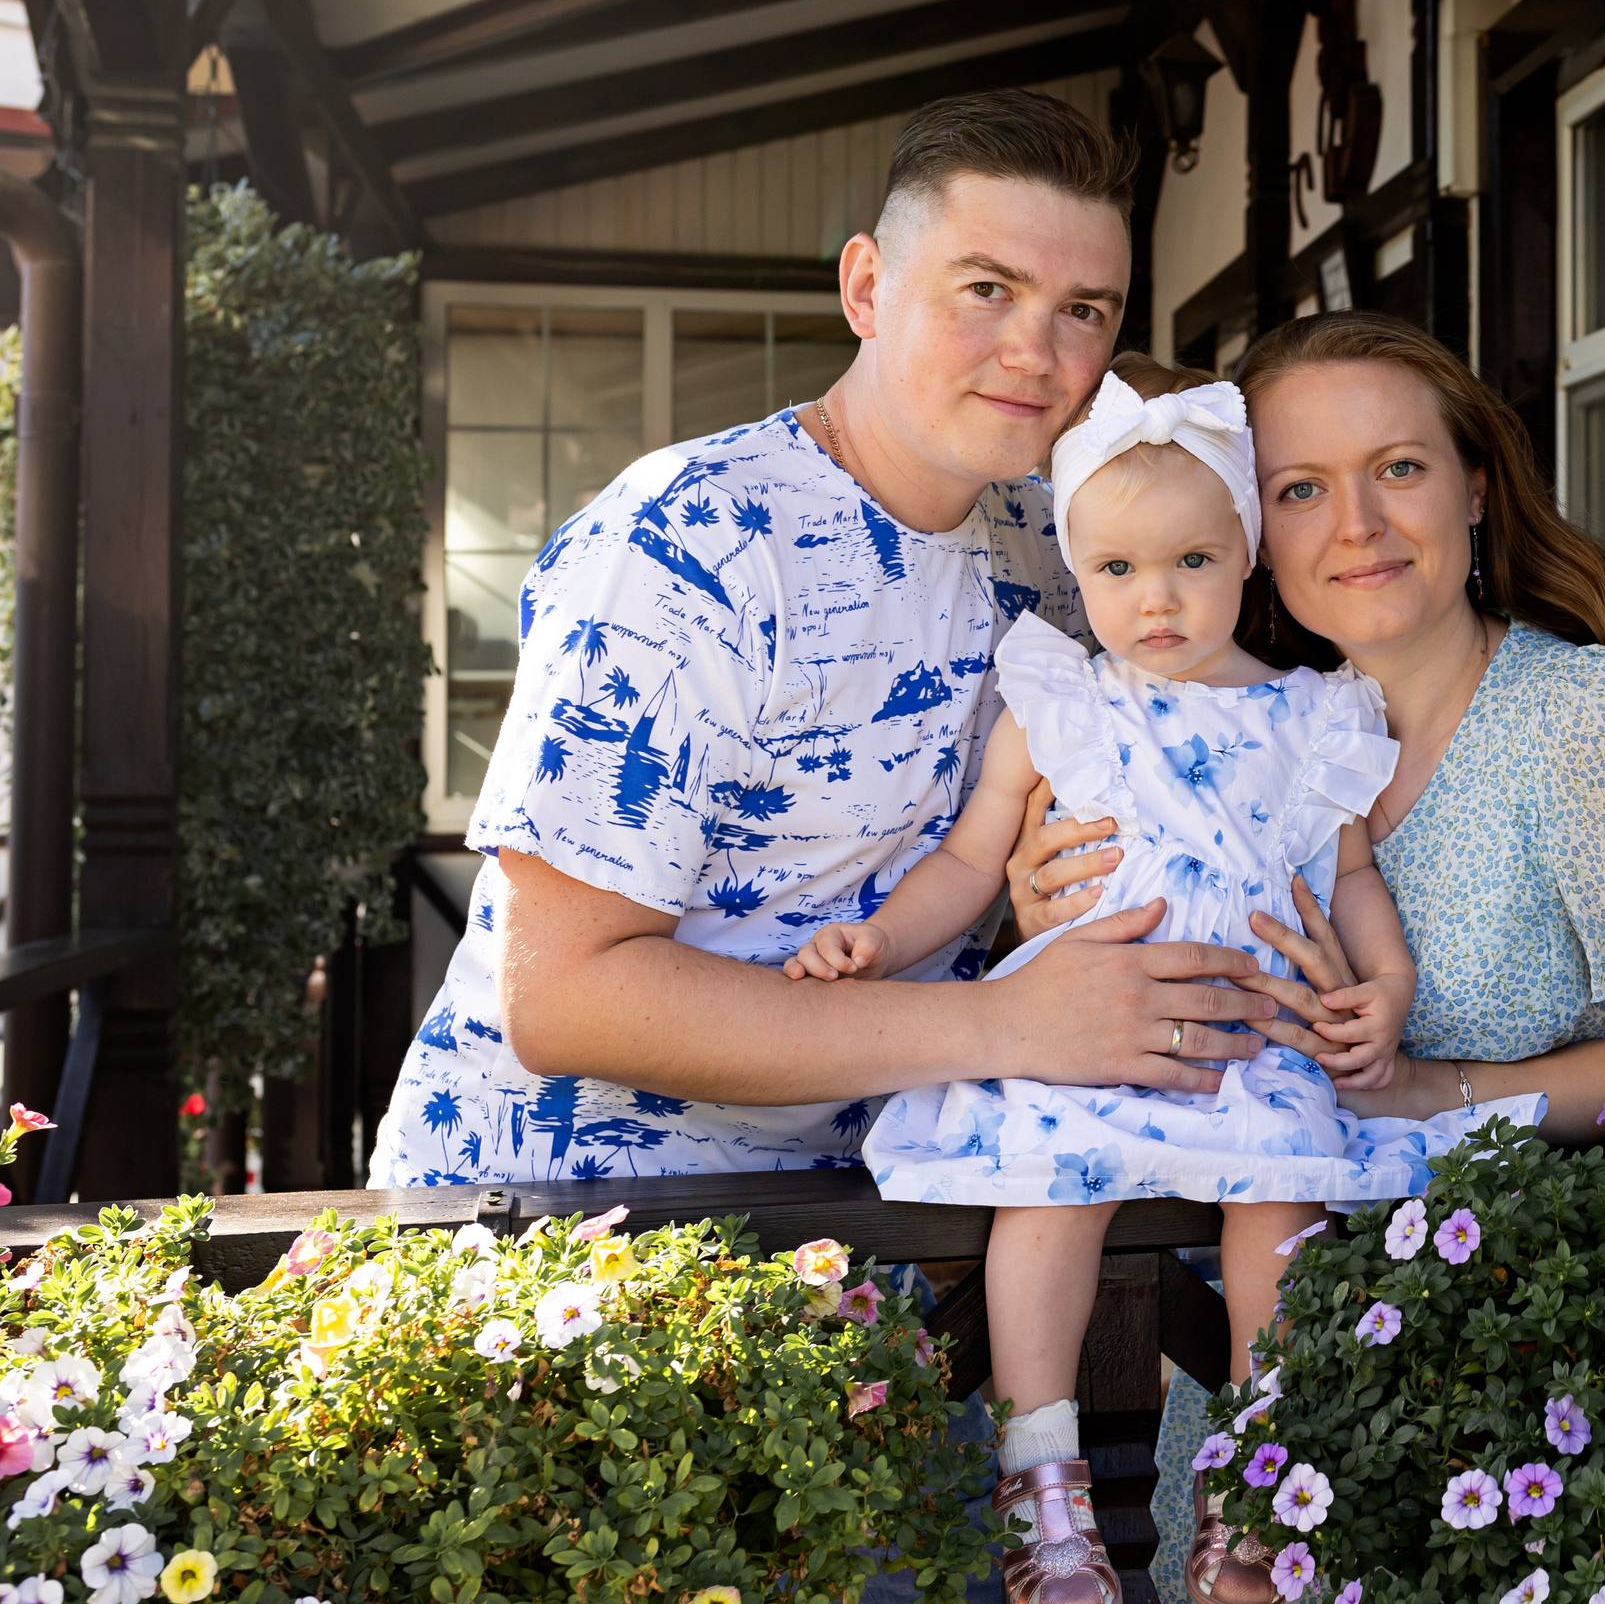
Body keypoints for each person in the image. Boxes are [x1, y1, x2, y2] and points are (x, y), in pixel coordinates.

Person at [1007, 310, 1605, 1604]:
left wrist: (1430, 1089)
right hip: (1253, 1438)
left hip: (1530, 1423)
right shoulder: (1234, 732)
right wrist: (1036, 897)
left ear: (1477, 486)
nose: (1353, 523)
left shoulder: (1580, 725)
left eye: (1400, 469)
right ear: (1245, 524)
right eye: (1299, 487)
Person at [369, 91, 1285, 1194]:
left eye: (1084, 310)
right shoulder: (688, 538)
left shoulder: (1071, 553)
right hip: (559, 1236)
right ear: (866, 287)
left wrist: (1049, 906)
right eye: (987, 289)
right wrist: (999, 1020)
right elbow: (565, 996)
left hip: (880, 1213)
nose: (1036, 353)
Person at [805, 356, 1527, 1604]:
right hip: (1080, 1023)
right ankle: (1042, 1471)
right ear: (1077, 573)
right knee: (1050, 1191)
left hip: (1251, 1029)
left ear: (1245, 556)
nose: (1156, 600)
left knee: (1282, 1191)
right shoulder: (1062, 702)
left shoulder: (1311, 714)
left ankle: (1254, 1459)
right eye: (1118, 572)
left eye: (1192, 562)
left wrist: (1390, 978)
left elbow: (1349, 873)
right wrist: (875, 936)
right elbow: (974, 862)